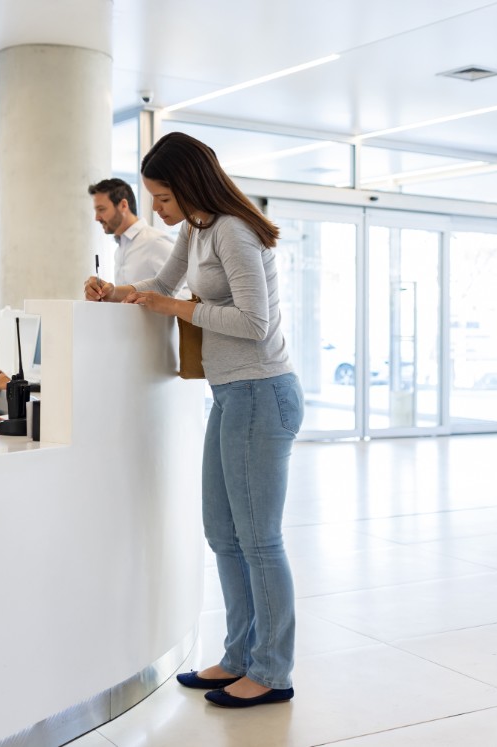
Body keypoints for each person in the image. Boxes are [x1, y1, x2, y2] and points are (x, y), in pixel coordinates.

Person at [84, 132, 303, 709]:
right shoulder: (198, 229)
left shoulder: (233, 230)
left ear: (187, 184)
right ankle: (237, 657)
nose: (156, 207)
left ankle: (272, 671)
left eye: (162, 196)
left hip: (262, 391)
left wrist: (177, 308)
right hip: (232, 395)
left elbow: (255, 324)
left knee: (259, 540)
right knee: (223, 535)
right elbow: (160, 284)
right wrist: (115, 293)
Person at [88, 178, 178, 289]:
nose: (97, 218)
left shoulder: (155, 242)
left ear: (123, 205)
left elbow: (186, 292)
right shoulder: (120, 249)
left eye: (101, 209)